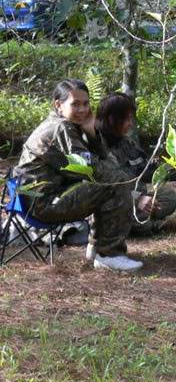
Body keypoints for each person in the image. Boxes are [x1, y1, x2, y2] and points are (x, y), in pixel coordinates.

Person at [12, 79, 142, 272]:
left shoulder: (62, 125)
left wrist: (91, 134)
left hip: (40, 199)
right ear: (58, 104)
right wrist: (94, 138)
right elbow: (98, 170)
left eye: (86, 104)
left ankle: (98, 249)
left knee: (111, 182)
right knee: (115, 183)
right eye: (75, 104)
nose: (82, 110)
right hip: (43, 204)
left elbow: (89, 168)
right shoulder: (60, 129)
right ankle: (109, 254)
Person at [96, 92, 176, 236]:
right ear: (111, 119)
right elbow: (104, 187)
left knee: (169, 196)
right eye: (127, 119)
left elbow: (148, 170)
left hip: (140, 200)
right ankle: (154, 225)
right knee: (137, 221)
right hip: (114, 202)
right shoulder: (96, 145)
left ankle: (143, 217)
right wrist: (136, 198)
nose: (130, 124)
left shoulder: (125, 142)